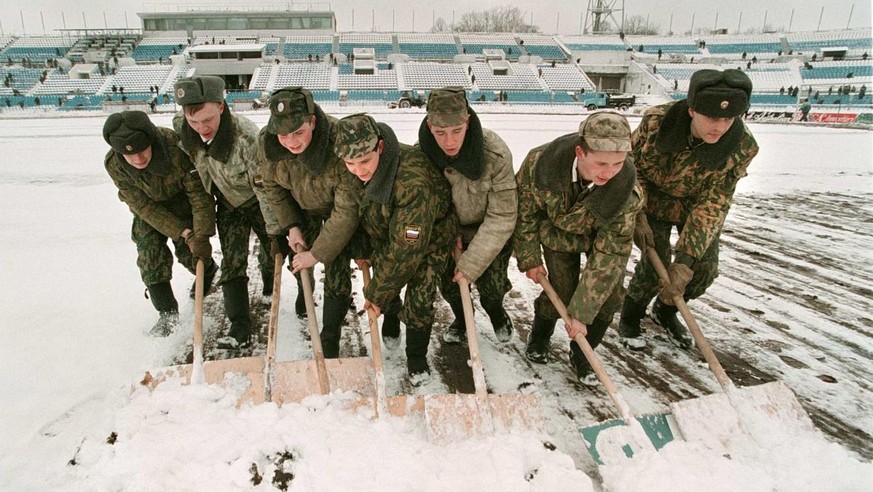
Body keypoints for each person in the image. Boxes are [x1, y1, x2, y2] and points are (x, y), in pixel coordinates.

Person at [618, 68, 759, 351]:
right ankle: (631, 316)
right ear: (693, 110)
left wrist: (688, 258)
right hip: (651, 200)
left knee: (701, 270)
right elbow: (628, 166)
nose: (719, 127)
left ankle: (665, 310)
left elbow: (714, 202)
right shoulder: (657, 122)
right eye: (711, 117)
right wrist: (637, 211)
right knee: (652, 262)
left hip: (695, 206)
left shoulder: (741, 146)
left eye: (728, 118)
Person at [513, 112, 642, 384]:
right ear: (580, 152)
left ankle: (583, 353)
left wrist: (582, 315)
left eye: (618, 163)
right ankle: (539, 336)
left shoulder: (625, 192)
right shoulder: (541, 164)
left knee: (608, 297)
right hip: (557, 232)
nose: (609, 173)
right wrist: (529, 257)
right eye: (601, 163)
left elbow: (611, 255)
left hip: (600, 235)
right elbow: (524, 213)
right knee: (560, 288)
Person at [334, 113, 455, 384]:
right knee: (386, 282)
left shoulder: (411, 178)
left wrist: (375, 293)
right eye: (350, 163)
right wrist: (362, 247)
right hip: (384, 230)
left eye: (364, 161)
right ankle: (391, 316)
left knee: (420, 299)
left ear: (379, 147)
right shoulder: (351, 168)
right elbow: (357, 212)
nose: (359, 170)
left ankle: (416, 356)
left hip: (428, 236)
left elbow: (407, 246)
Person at [256, 87, 364, 357]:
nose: (291, 142)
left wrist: (317, 254)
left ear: (313, 122)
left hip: (337, 211)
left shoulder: (340, 142)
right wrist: (291, 226)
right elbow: (273, 186)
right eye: (283, 135)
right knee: (300, 260)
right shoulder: (268, 143)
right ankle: (306, 298)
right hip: (302, 209)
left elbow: (346, 211)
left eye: (299, 133)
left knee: (337, 270)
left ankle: (329, 339)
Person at [173, 75, 273, 350]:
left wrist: (276, 228)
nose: (201, 128)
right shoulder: (184, 128)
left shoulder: (247, 138)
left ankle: (269, 284)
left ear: (221, 106)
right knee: (233, 260)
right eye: (194, 122)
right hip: (228, 204)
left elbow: (266, 190)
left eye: (207, 120)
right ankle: (240, 326)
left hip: (257, 200)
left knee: (273, 250)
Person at [415, 87, 517, 344]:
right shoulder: (420, 156)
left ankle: (496, 312)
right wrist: (447, 233)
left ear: (468, 121)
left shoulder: (495, 154)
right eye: (440, 133)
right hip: (447, 233)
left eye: (457, 132)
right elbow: (421, 210)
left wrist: (472, 264)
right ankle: (463, 318)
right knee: (451, 287)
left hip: (487, 230)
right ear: (429, 126)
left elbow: (503, 216)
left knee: (493, 288)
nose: (449, 142)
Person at [102, 111, 217, 336]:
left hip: (184, 203)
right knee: (149, 254)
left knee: (192, 255)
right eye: (129, 155)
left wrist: (199, 236)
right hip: (150, 211)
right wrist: (182, 232)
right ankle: (166, 313)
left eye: (142, 150)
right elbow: (142, 206)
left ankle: (209, 269)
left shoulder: (175, 148)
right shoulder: (114, 164)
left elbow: (199, 194)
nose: (137, 159)